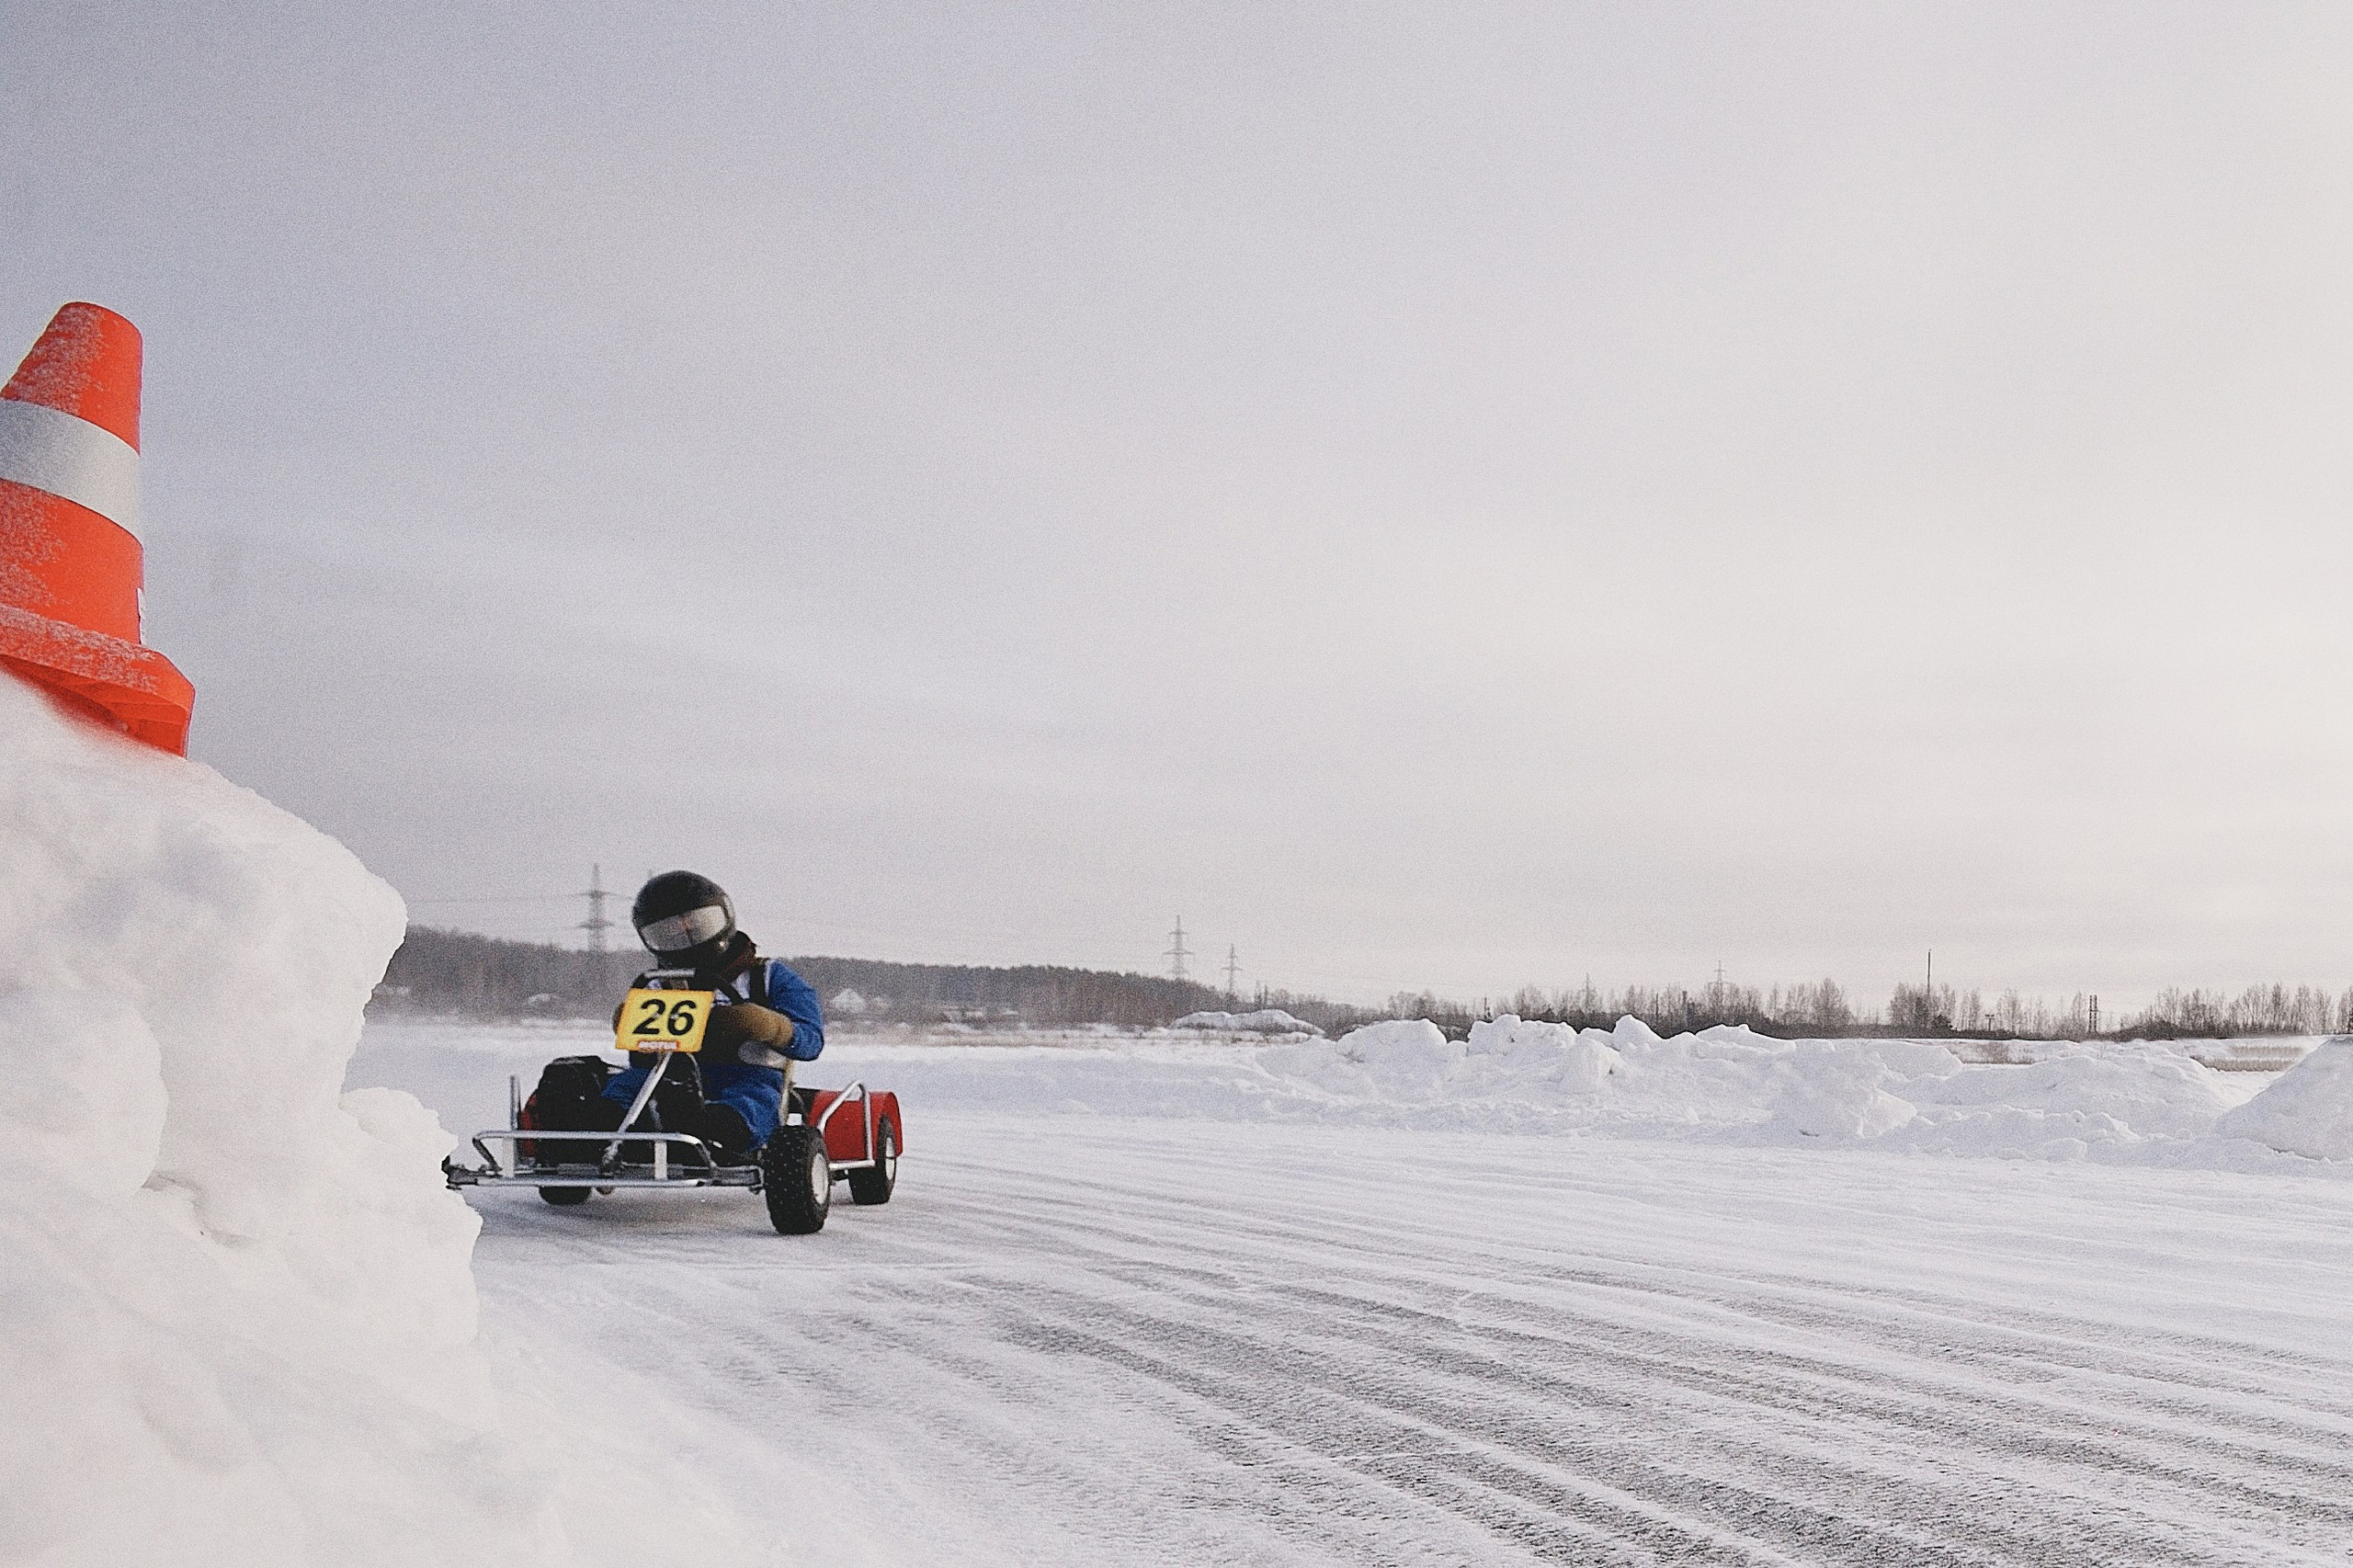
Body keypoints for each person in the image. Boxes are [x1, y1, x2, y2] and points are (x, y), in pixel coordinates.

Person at [531, 870, 824, 1162]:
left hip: (748, 1076)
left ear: (722, 917)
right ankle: (594, 1138)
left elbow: (811, 1041)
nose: (686, 935)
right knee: (623, 1090)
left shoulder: (767, 976)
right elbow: (642, 1060)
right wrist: (630, 1023)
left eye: (697, 924)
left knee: (747, 1106)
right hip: (666, 1076)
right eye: (670, 931)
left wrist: (768, 1025)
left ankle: (710, 1133)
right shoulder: (661, 982)